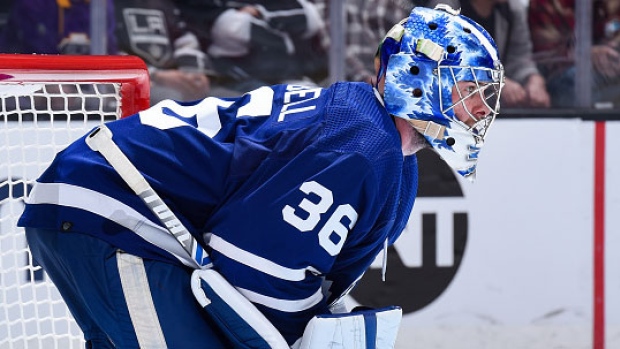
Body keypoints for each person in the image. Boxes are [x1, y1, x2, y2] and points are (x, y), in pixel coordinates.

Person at [18, 5, 504, 348]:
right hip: (115, 208)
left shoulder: (386, 152)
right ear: (418, 75)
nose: (481, 108)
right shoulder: (360, 143)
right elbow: (251, 261)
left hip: (104, 205)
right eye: (469, 90)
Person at [173, 0, 329, 95]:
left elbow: (310, 17)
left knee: (321, 109)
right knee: (269, 113)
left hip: (292, 77)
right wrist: (282, 35)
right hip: (231, 81)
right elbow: (229, 28)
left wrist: (260, 13)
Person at [114, 0, 210, 104]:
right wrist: (155, 75)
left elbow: (184, 39)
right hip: (133, 84)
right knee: (169, 98)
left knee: (218, 96)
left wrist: (191, 73)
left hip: (172, 76)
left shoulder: (165, 5)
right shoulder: (109, 6)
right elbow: (111, 53)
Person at [529, 0, 620, 108]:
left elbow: (613, 31)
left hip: (602, 72)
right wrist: (586, 54)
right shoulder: (545, 4)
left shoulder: (609, 4)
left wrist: (610, 53)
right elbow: (546, 55)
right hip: (556, 75)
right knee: (576, 82)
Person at [460, 0, 550, 108]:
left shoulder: (512, 10)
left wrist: (533, 79)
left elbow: (519, 58)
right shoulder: (445, 9)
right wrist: (495, 81)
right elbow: (447, 64)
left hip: (497, 112)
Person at [0, 0, 117, 54]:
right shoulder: (33, 3)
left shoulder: (101, 4)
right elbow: (37, 46)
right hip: (25, 79)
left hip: (84, 79)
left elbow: (108, 45)